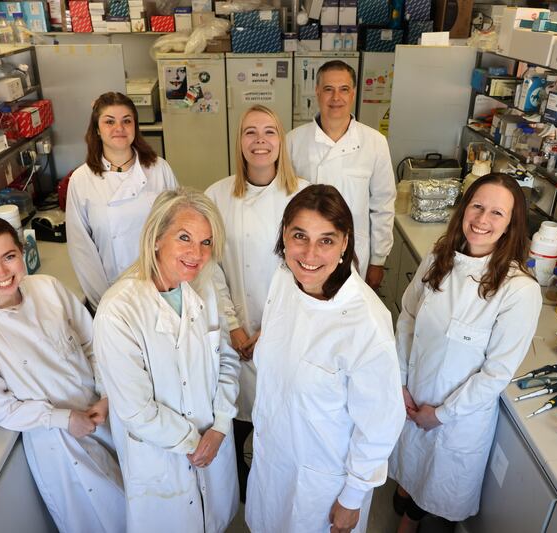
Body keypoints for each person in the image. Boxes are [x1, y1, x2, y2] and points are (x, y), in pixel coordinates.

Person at [0, 216, 125, 533]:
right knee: (105, 521)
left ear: (21, 250)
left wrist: (107, 393)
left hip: (105, 414)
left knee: (143, 510)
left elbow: (93, 343)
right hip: (60, 443)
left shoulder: (48, 288)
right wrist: (64, 419)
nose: (1, 273)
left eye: (9, 257)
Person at [246, 184, 405, 533]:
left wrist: (353, 497)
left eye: (326, 240)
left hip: (321, 483)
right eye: (299, 236)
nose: (310, 253)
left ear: (345, 243)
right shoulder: (284, 280)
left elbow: (380, 424)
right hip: (273, 461)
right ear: (284, 235)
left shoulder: (366, 324)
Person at [388, 173, 542, 531]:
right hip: (412, 394)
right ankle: (405, 496)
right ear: (463, 209)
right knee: (409, 466)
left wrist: (440, 414)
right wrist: (400, 382)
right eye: (477, 206)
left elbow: (495, 375)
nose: (482, 219)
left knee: (435, 476)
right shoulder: (439, 258)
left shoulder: (518, 290)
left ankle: (410, 521)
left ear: (511, 226)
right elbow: (407, 317)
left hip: (455, 417)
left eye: (497, 213)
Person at [93, 188, 240, 533]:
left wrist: (219, 426)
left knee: (213, 522)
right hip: (161, 456)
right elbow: (134, 409)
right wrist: (194, 443)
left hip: (213, 439)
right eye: (184, 238)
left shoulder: (203, 286)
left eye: (206, 242)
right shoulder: (119, 310)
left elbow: (228, 361)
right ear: (157, 237)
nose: (197, 254)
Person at [204, 104, 308, 501]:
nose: (260, 141)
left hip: (286, 328)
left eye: (269, 131)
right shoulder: (217, 195)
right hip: (235, 331)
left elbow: (306, 269)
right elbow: (210, 269)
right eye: (250, 132)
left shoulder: (303, 193)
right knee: (237, 413)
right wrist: (234, 326)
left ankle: (278, 487)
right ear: (239, 141)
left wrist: (270, 330)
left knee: (281, 415)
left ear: (281, 140)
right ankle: (243, 491)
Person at [287, 60, 396, 290]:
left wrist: (378, 260)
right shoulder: (294, 141)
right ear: (317, 92)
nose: (336, 97)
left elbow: (383, 204)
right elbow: (284, 205)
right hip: (307, 255)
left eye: (343, 89)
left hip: (355, 255)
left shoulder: (375, 142)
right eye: (328, 89)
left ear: (353, 93)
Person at [66, 91, 178, 310]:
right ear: (97, 130)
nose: (119, 128)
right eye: (109, 122)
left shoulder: (158, 169)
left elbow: (178, 226)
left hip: (161, 285)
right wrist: (104, 301)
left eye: (127, 121)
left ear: (135, 127)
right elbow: (81, 249)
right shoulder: (81, 179)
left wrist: (172, 282)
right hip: (113, 291)